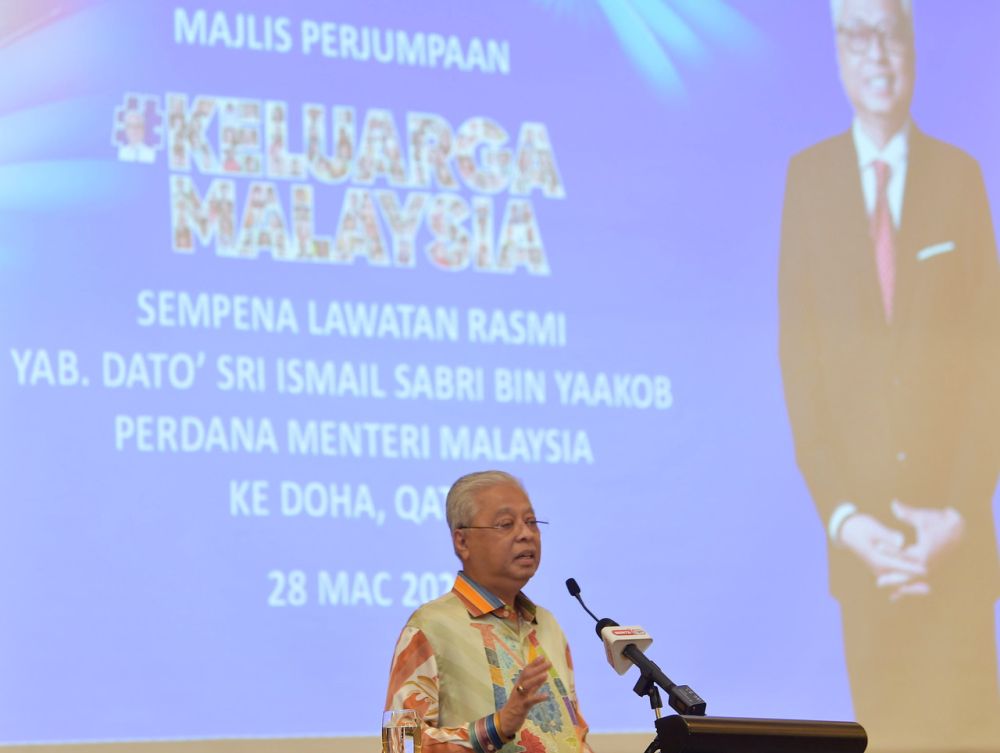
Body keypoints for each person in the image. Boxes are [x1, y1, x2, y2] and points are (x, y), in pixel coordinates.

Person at [779, 0, 1000, 749]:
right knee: (884, 737)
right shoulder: (807, 180)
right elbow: (800, 370)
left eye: (889, 34)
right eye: (855, 37)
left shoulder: (959, 175)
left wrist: (960, 513)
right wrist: (848, 522)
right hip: (863, 550)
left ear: (912, 47)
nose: (875, 54)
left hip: (958, 544)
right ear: (838, 55)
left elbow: (987, 361)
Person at [384, 471, 592, 753]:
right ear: (462, 541)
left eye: (531, 522)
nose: (525, 534)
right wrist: (497, 727)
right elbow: (400, 745)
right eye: (506, 524)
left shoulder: (548, 625)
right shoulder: (430, 627)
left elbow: (575, 737)